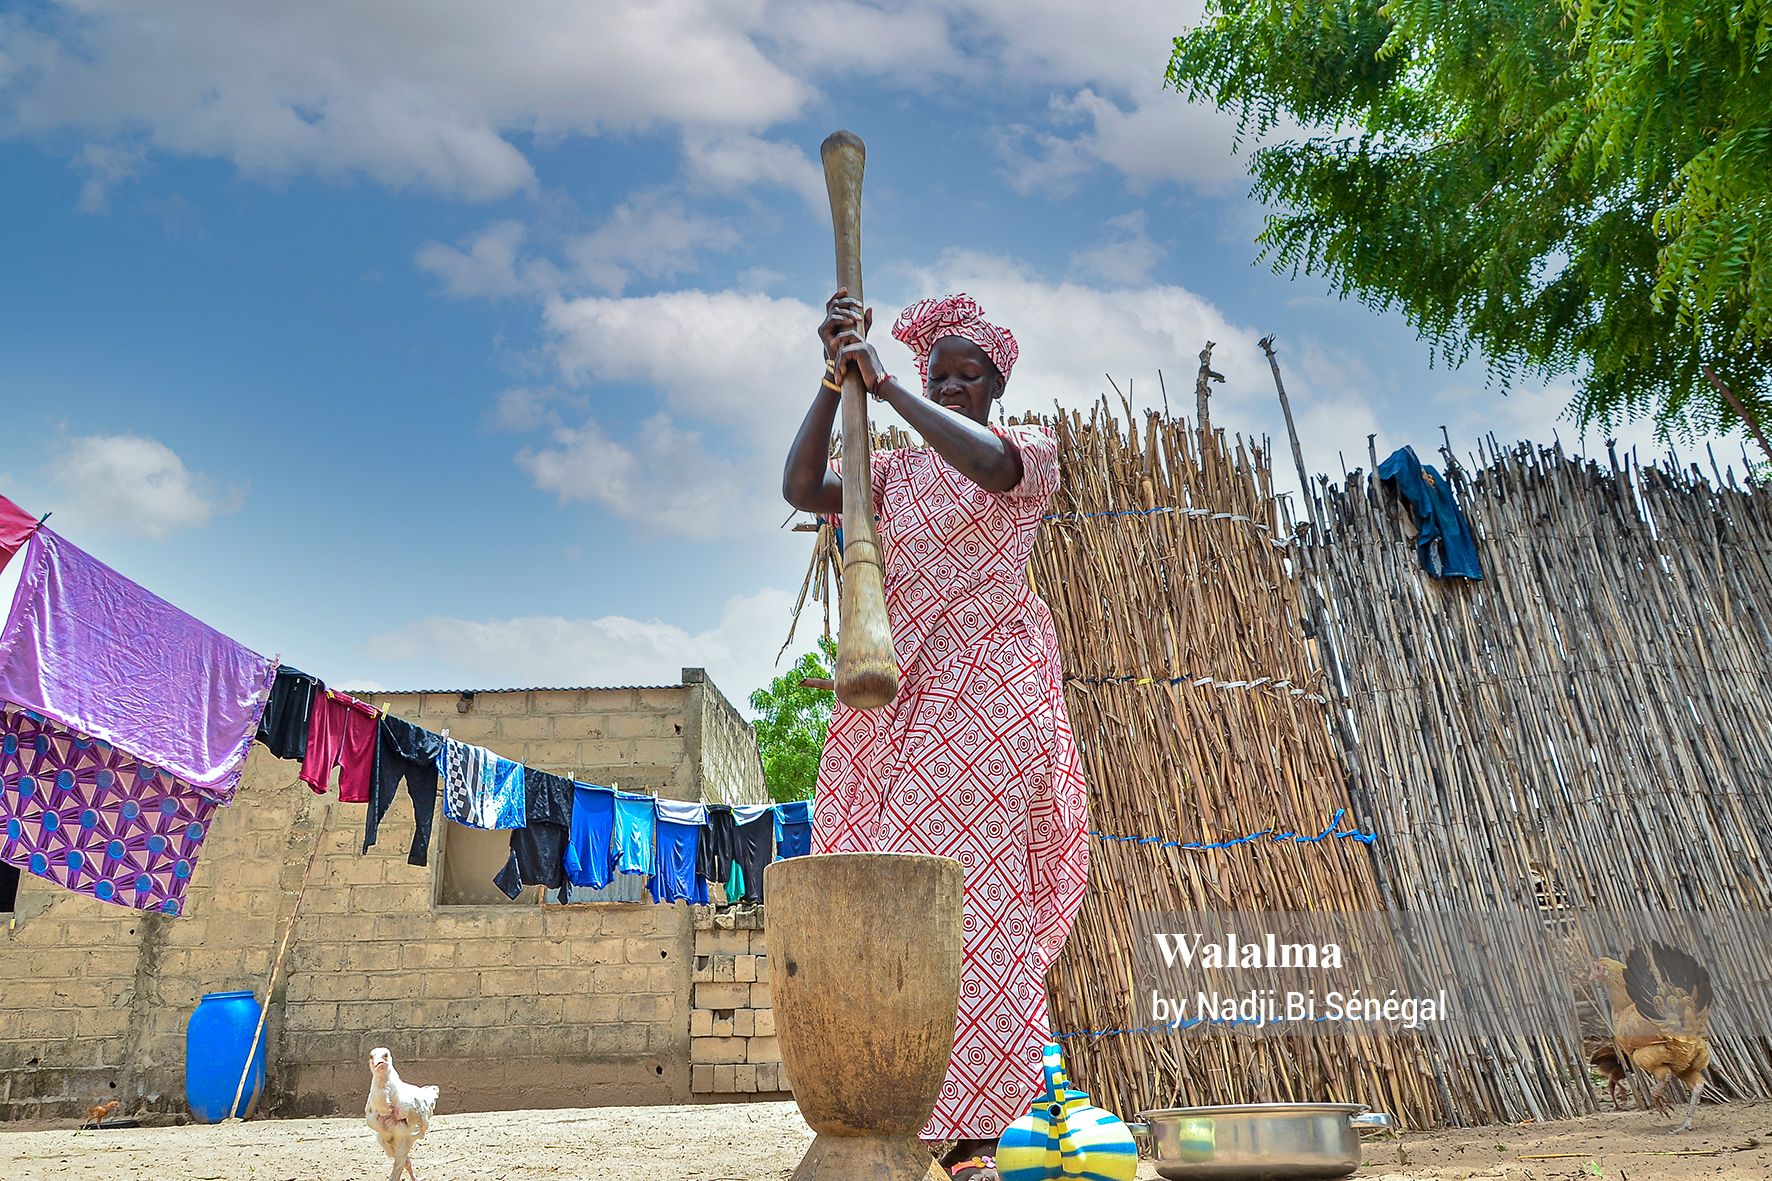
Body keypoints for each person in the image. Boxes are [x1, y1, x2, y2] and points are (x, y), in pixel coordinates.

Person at [782, 290, 1089, 1181]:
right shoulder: (892, 478)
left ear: (997, 382)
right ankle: (913, 1111)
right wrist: (834, 375)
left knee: (975, 903)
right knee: (895, 904)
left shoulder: (1025, 453)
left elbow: (990, 470)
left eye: (968, 375)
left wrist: (889, 391)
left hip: (987, 700)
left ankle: (996, 1133)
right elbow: (802, 486)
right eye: (937, 374)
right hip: (893, 698)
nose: (951, 387)